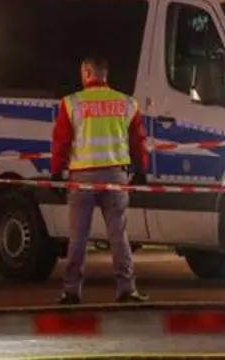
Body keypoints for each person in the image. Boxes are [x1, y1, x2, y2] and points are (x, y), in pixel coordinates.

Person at [50, 57, 150, 305]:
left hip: (82, 177)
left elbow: (61, 141)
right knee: (118, 235)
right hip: (115, 176)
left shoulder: (72, 103)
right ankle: (126, 289)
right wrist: (141, 169)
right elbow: (138, 140)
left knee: (78, 238)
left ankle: (72, 291)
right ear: (105, 75)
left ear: (87, 72)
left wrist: (56, 171)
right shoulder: (126, 103)